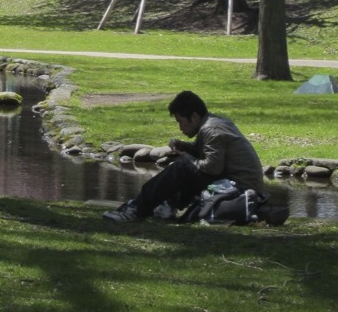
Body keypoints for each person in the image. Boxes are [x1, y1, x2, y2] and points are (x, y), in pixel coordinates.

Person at [103, 90, 265, 223]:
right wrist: (184, 146)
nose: (180, 127)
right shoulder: (214, 122)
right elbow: (204, 153)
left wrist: (188, 158)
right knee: (186, 164)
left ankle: (136, 209)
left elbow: (213, 168)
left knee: (183, 166)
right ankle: (165, 205)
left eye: (180, 121)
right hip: (235, 182)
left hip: (240, 188)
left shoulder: (211, 130)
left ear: (194, 117)